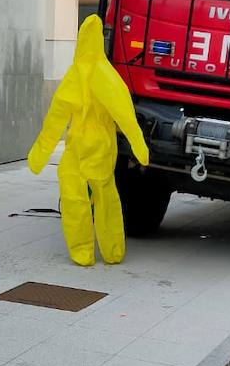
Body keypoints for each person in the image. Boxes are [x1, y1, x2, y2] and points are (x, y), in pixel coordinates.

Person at [27, 15, 149, 266]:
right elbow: (125, 115)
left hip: (78, 145)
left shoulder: (75, 74)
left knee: (73, 198)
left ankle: (82, 252)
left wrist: (39, 155)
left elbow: (55, 118)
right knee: (106, 197)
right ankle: (112, 250)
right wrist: (140, 148)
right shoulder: (109, 76)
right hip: (102, 145)